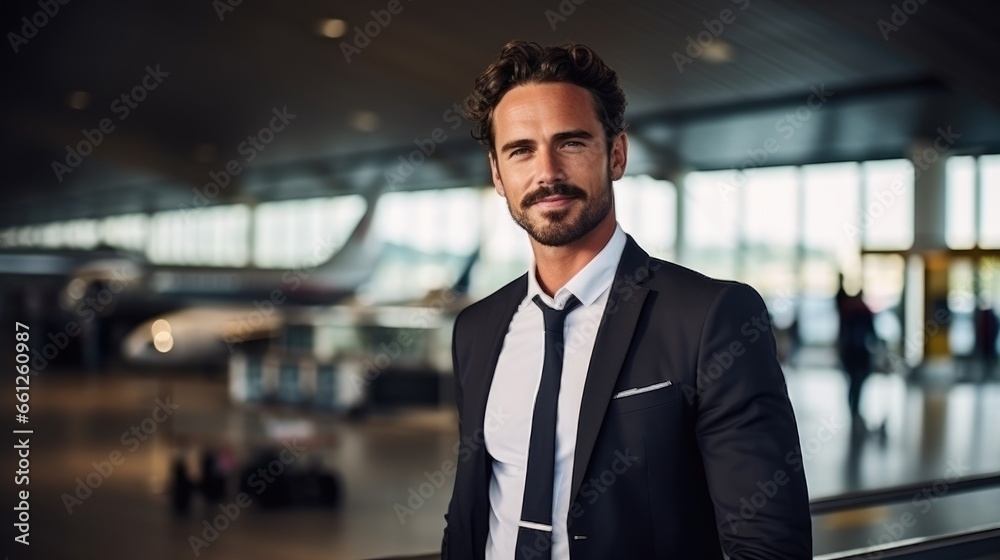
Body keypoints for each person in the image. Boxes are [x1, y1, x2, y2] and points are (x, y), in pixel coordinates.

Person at [441, 41, 811, 560]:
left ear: (616, 154)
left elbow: (768, 545)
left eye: (570, 143)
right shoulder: (477, 329)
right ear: (498, 176)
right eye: (520, 149)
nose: (546, 171)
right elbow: (470, 516)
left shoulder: (710, 318)